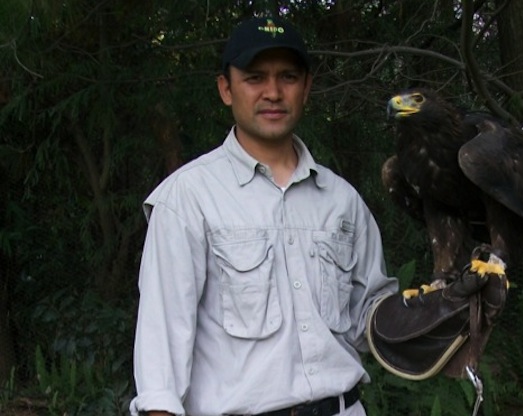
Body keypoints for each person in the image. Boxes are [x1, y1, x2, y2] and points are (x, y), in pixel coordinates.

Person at [128, 16, 398, 416]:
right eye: (255, 77)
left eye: (288, 77)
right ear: (226, 88)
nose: (273, 92)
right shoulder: (189, 198)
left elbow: (373, 323)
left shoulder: (343, 201)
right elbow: (160, 355)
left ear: (306, 87)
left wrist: (443, 312)